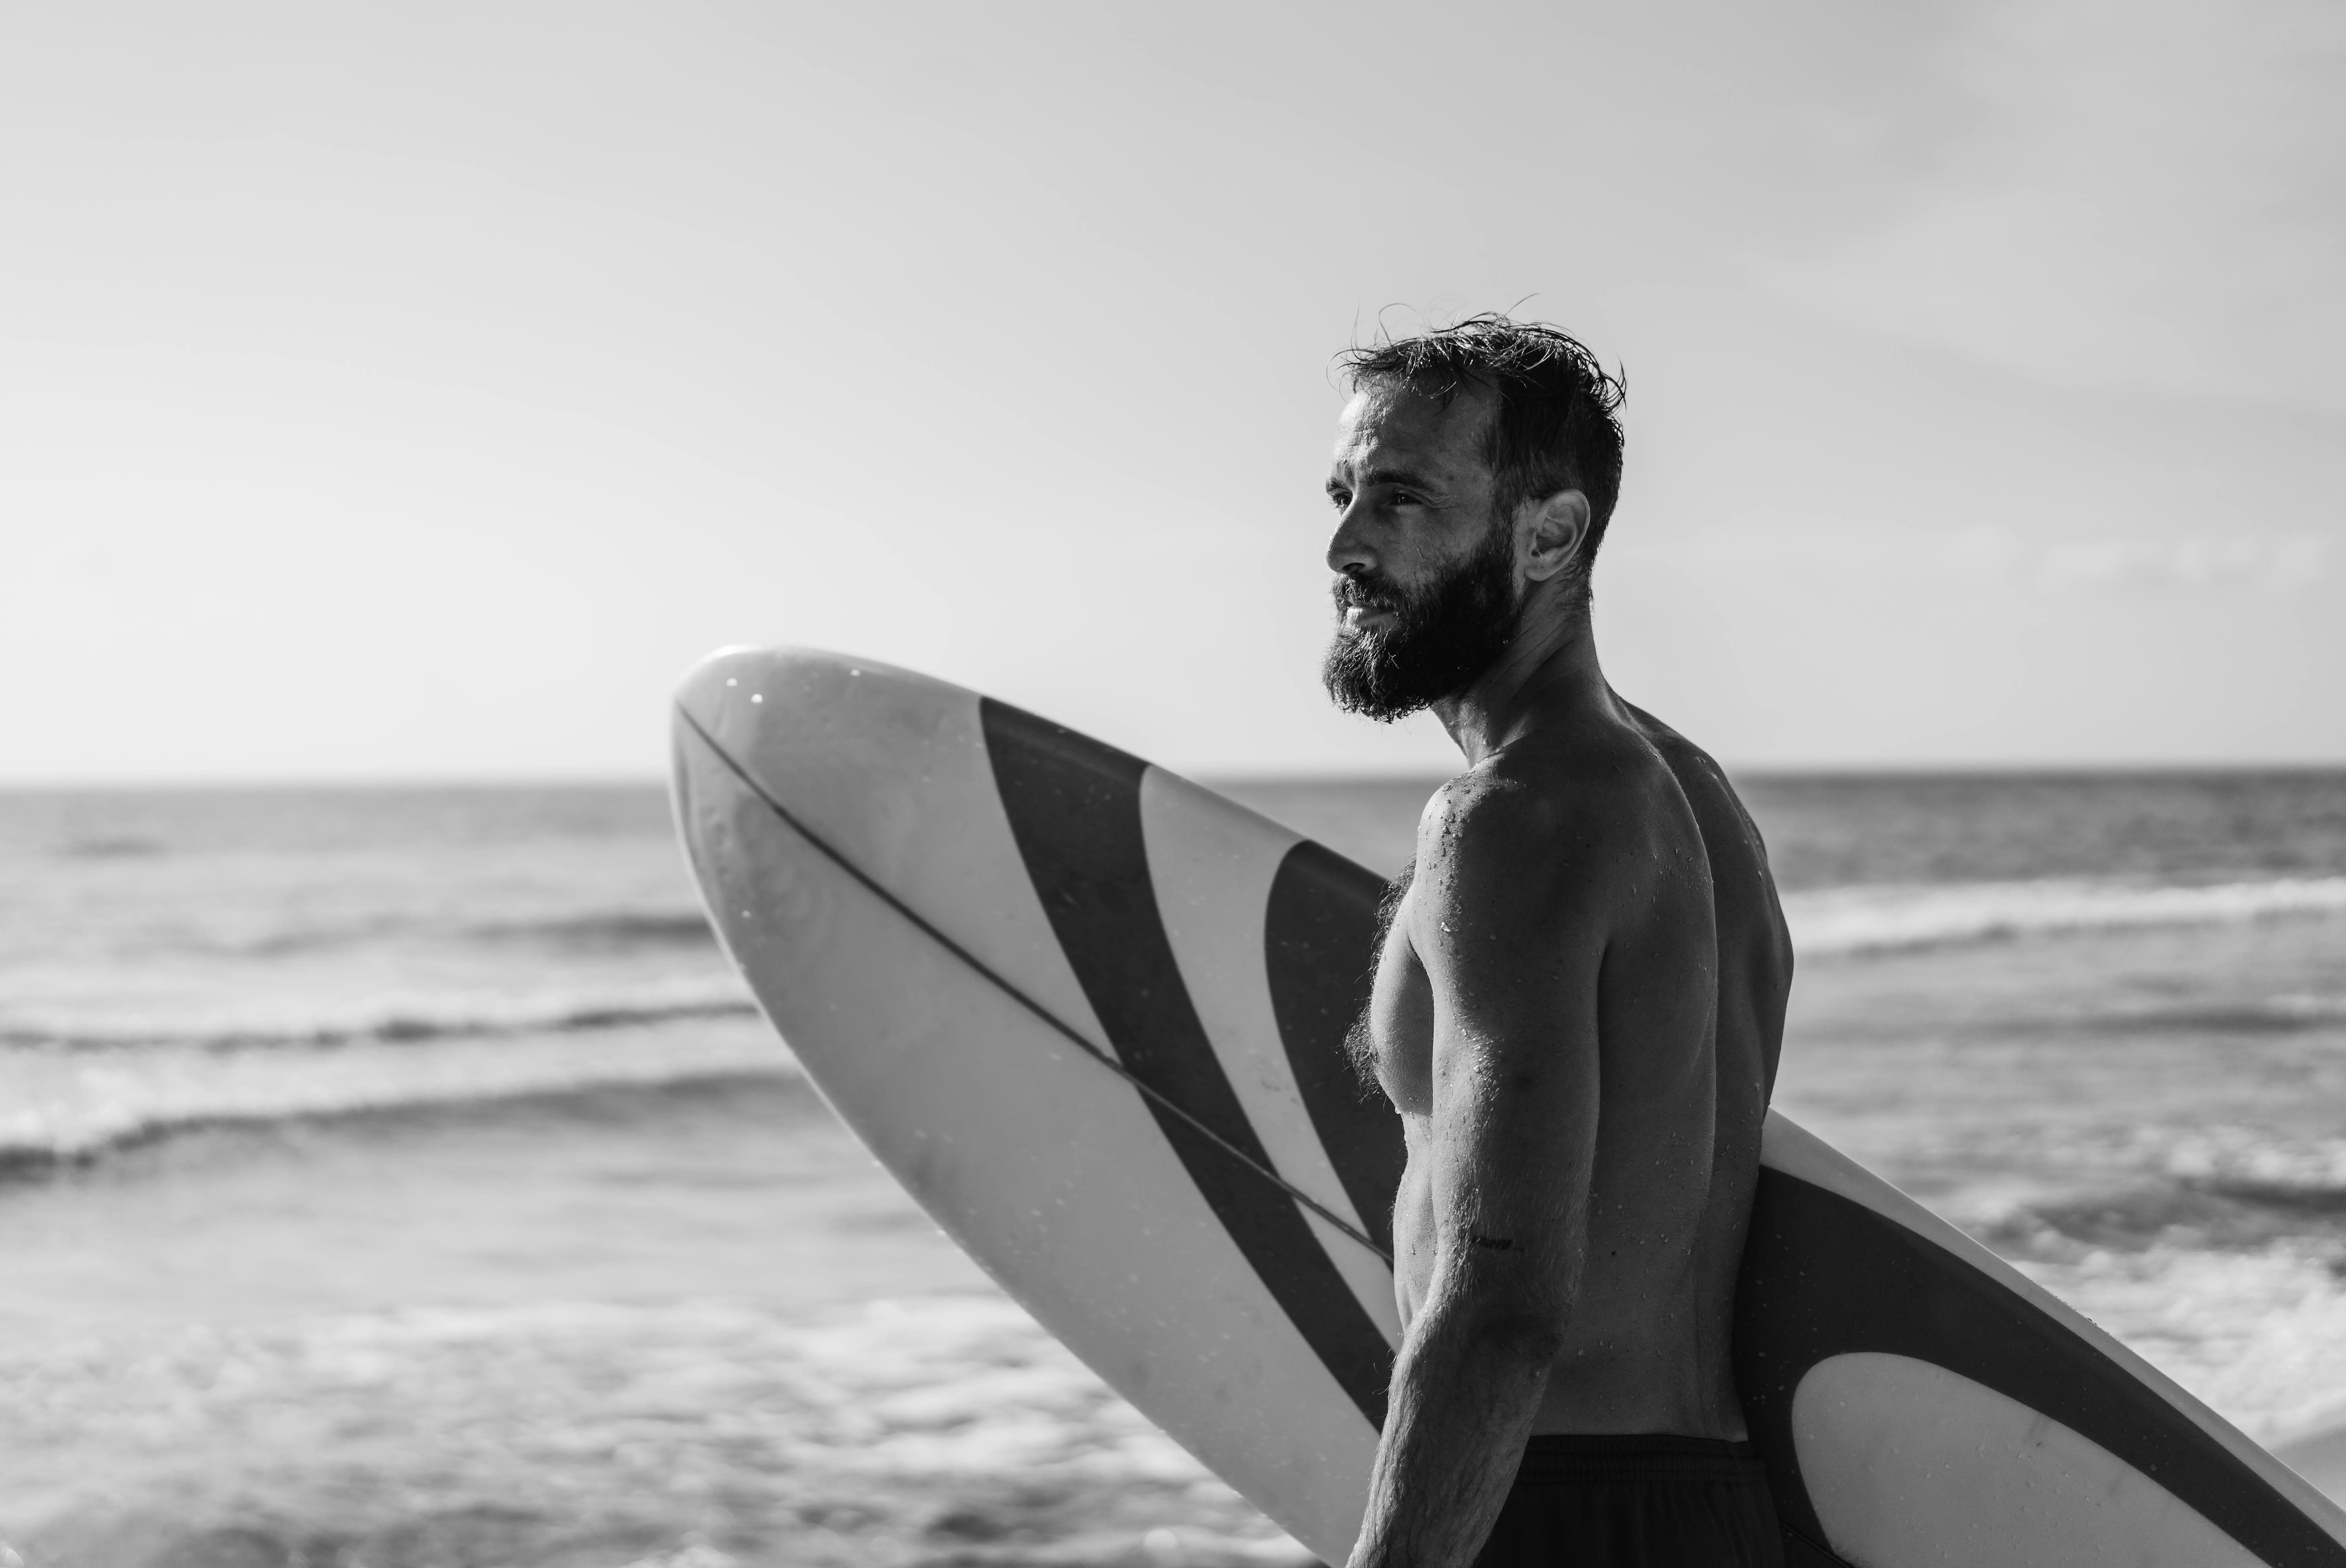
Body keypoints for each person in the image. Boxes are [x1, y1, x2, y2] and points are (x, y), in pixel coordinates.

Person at [1323, 315, 1793, 1568]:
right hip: (1717, 1506)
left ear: (1548, 535)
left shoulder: (1513, 818)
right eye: (1343, 495)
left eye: (1401, 499)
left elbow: (1502, 1309)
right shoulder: (1698, 801)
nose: (1345, 546)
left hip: (1549, 1505)